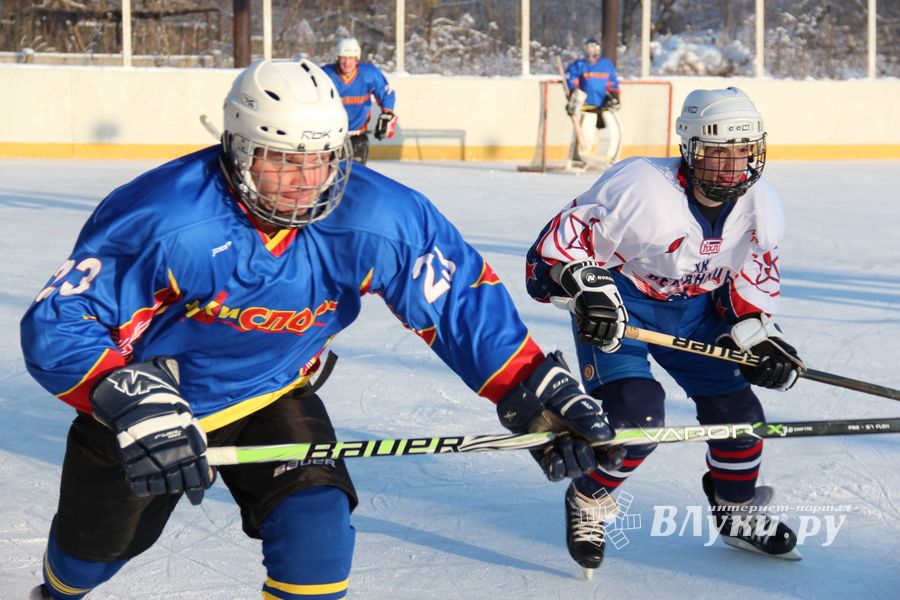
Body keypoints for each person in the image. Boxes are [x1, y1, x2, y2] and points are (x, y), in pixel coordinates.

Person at [21, 58, 618, 600]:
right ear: (236, 147)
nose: (306, 180)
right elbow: (61, 320)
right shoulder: (166, 217)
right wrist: (127, 400)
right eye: (283, 159)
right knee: (87, 562)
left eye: (321, 158)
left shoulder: (376, 215)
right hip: (153, 408)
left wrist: (529, 386)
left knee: (318, 539)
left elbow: (457, 303)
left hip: (274, 392)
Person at [525, 87, 805, 573]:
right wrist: (583, 290)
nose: (732, 168)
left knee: (740, 415)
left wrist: (760, 338)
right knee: (638, 416)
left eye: (743, 152)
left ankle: (736, 509)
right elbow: (549, 253)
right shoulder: (641, 188)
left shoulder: (762, 206)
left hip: (695, 311)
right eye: (718, 154)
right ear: (690, 150)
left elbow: (747, 284)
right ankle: (589, 498)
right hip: (624, 308)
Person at [321, 37, 397, 165]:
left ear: (357, 59)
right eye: (343, 58)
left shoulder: (369, 74)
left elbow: (386, 94)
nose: (347, 62)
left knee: (355, 176)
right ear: (337, 58)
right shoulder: (325, 74)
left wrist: (387, 114)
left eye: (351, 58)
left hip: (357, 136)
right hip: (330, 136)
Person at [563, 38, 622, 168]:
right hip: (586, 108)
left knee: (614, 135)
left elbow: (613, 83)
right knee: (585, 135)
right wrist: (573, 96)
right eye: (587, 49)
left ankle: (611, 161)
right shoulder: (579, 65)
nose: (590, 53)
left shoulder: (606, 65)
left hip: (604, 109)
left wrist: (614, 96)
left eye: (592, 49)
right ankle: (579, 161)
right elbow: (571, 80)